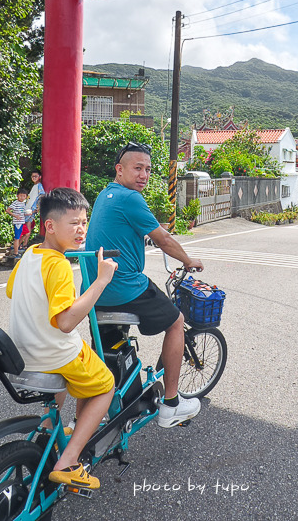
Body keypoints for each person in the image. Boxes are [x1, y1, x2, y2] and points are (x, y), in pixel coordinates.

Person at [85, 141, 205, 428]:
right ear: (120, 169)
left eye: (148, 170)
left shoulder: (106, 195)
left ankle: (109, 407)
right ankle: (172, 405)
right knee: (176, 321)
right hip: (124, 287)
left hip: (94, 292)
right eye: (138, 168)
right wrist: (188, 260)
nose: (144, 175)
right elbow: (163, 238)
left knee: (109, 348)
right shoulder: (131, 199)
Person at [6, 187, 118, 490]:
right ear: (50, 226)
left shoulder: (30, 254)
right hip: (54, 351)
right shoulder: (58, 265)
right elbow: (67, 322)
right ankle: (69, 462)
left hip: (24, 351)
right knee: (105, 385)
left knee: (72, 374)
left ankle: (47, 429)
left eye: (84, 222)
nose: (81, 229)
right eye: (73, 223)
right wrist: (101, 281)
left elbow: (13, 291)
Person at [5, 186, 31, 256]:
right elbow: (7, 210)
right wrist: (15, 216)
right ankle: (16, 252)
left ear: (26, 197)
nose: (22, 197)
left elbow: (22, 213)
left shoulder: (23, 203)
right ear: (17, 196)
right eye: (21, 196)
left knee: (26, 234)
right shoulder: (15, 203)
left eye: (24, 196)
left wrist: (29, 213)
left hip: (22, 222)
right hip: (18, 223)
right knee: (17, 238)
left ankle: (16, 247)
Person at [24, 169, 46, 239]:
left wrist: (37, 208)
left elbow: (41, 196)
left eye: (35, 176)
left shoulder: (39, 186)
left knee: (27, 227)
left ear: (40, 177)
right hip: (28, 209)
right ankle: (23, 243)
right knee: (26, 226)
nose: (34, 178)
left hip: (31, 210)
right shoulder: (35, 186)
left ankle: (24, 244)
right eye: (32, 176)